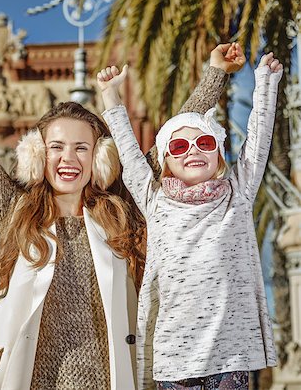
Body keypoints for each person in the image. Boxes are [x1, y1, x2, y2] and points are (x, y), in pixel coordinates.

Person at [0, 15, 238, 390]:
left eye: (81, 148)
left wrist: (215, 73)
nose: (68, 159)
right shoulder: (15, 211)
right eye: (56, 147)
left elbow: (171, 145)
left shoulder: (119, 211)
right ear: (38, 154)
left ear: (99, 158)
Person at [97, 51, 282, 390]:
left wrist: (266, 84)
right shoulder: (155, 201)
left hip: (230, 355)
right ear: (166, 161)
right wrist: (110, 95)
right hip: (174, 356)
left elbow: (258, 142)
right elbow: (129, 154)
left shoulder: (237, 194)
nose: (193, 150)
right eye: (179, 146)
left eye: (204, 142)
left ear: (219, 155)